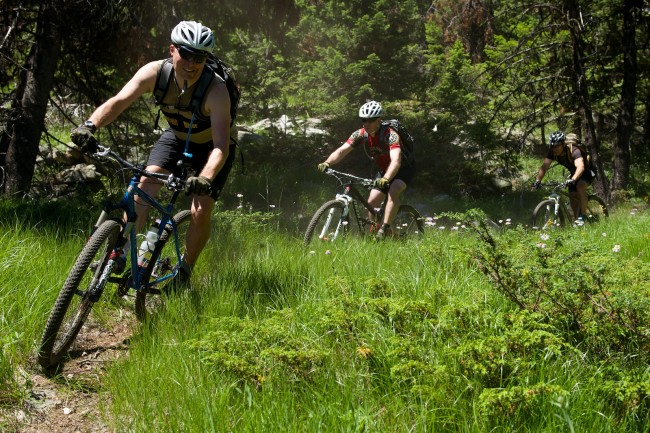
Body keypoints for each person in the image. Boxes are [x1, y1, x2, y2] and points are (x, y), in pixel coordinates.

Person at [70, 20, 236, 290]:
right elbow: (118, 102)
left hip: (211, 147)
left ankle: (184, 271)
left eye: (200, 57)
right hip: (176, 136)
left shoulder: (216, 91)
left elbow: (221, 146)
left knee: (200, 208)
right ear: (172, 49)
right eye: (186, 54)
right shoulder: (154, 73)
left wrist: (204, 177)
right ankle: (120, 253)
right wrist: (89, 126)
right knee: (146, 185)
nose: (193, 63)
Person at [317, 101, 416, 239]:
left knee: (394, 189)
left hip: (403, 169)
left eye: (371, 120)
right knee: (371, 203)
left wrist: (386, 179)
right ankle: (379, 234)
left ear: (379, 120)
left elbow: (396, 161)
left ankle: (385, 228)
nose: (367, 123)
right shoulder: (360, 134)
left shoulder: (390, 135)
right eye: (364, 120)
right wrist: (327, 162)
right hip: (384, 171)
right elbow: (342, 151)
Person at [533, 130, 595, 224]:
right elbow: (544, 167)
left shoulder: (574, 150)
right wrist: (537, 180)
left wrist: (573, 179)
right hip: (574, 173)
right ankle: (577, 222)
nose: (555, 149)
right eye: (553, 146)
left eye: (557, 146)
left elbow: (581, 166)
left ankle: (583, 216)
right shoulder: (552, 152)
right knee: (573, 196)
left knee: (580, 186)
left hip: (587, 171)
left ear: (563, 144)